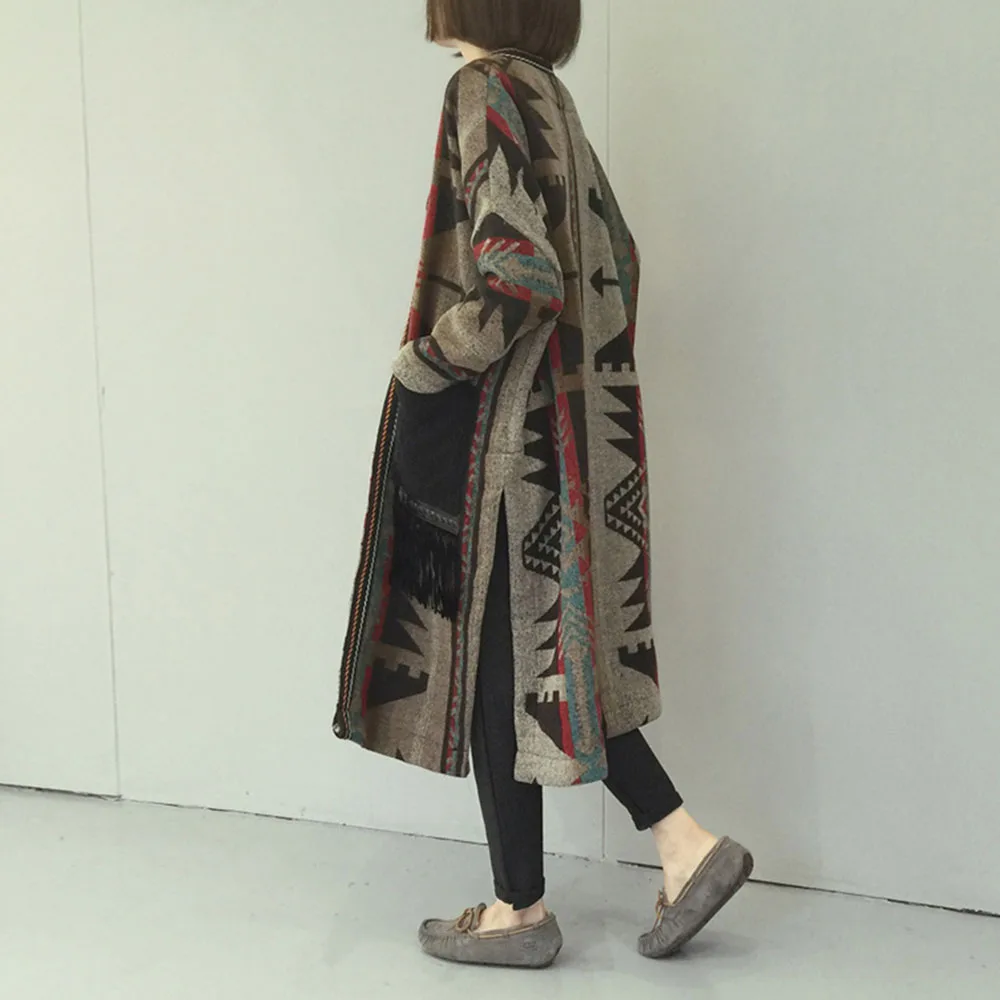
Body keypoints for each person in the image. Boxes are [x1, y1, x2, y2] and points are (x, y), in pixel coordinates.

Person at [334, 0, 752, 968]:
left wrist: (426, 362)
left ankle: (529, 906)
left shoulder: (481, 89)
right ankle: (669, 848)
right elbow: (618, 259)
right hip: (573, 440)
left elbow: (518, 276)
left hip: (507, 444)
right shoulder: (549, 97)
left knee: (498, 663)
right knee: (533, 663)